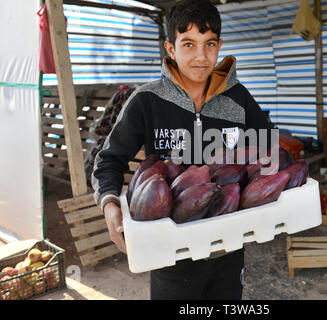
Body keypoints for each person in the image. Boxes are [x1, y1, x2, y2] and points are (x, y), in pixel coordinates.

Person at [91, 0, 275, 300]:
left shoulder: (238, 98)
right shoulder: (147, 100)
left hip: (227, 242)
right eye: (188, 44)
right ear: (170, 48)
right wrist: (110, 205)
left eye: (209, 44)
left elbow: (267, 151)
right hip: (170, 247)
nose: (201, 57)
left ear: (220, 45)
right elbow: (108, 160)